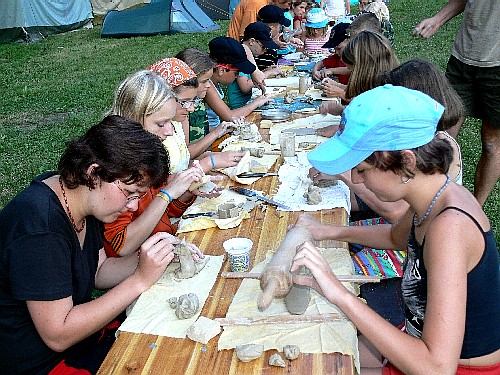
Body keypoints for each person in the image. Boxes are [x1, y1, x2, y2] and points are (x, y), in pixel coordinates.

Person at [294, 85, 500, 374]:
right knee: (318, 350)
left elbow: (437, 368)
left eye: (363, 169)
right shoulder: (432, 198)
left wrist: (338, 292)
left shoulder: (450, 227)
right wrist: (329, 232)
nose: (356, 178)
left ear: (406, 161)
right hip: (417, 338)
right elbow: (394, 236)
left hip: (453, 366)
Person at [0, 115, 179, 374]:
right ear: (94, 172)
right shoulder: (41, 229)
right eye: (129, 194)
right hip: (38, 362)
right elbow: (58, 334)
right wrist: (139, 280)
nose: (132, 206)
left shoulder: (83, 199)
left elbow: (98, 271)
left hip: (77, 341)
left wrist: (151, 258)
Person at [104, 68, 212, 258]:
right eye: (161, 124)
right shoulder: (115, 167)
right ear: (132, 117)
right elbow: (120, 246)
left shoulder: (147, 154)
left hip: (164, 244)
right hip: (141, 262)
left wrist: (184, 191)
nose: (170, 131)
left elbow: (163, 210)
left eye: (171, 122)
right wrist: (167, 194)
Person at [413, 0, 500, 207]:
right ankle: (428, 201)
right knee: (441, 136)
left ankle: (474, 210)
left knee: (491, 141)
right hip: (463, 57)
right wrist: (437, 20)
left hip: (497, 66)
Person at [318, 30, 398, 136]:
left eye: (351, 68)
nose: (349, 72)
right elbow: (364, 111)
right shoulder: (376, 82)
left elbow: (374, 126)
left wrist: (342, 129)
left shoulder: (385, 90)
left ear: (362, 68)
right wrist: (341, 110)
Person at [205, 36, 273, 132]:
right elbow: (229, 116)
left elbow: (244, 46)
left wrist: (255, 73)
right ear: (221, 70)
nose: (237, 77)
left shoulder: (214, 79)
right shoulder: (207, 85)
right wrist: (256, 103)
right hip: (209, 138)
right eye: (236, 73)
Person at [228, 22, 282, 110]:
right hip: (241, 106)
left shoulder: (249, 56)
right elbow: (245, 87)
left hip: (248, 102)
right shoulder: (242, 58)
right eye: (263, 46)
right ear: (251, 41)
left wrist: (264, 71)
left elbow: (253, 76)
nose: (265, 50)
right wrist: (269, 73)